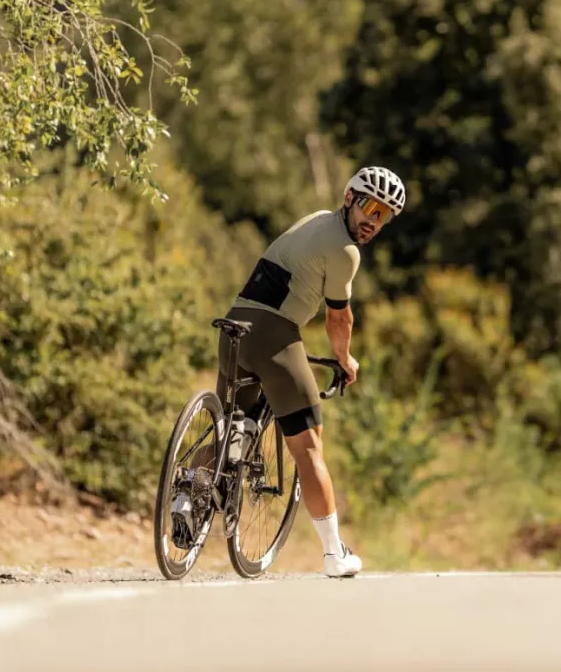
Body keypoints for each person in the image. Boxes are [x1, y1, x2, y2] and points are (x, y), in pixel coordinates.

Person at [171, 166, 406, 578]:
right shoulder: (346, 251)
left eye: (384, 215)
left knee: (230, 428)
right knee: (309, 446)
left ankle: (187, 492)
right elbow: (339, 318)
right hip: (273, 336)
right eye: (370, 207)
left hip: (234, 327)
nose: (374, 220)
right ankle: (334, 554)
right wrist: (345, 359)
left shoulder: (315, 219)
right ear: (349, 198)